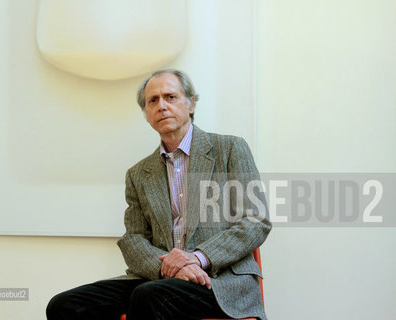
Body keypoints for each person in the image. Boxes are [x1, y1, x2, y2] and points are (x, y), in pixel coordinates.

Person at [46, 69, 272, 320]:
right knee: (64, 305)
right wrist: (169, 268)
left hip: (218, 280)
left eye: (170, 97)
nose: (161, 106)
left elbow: (255, 221)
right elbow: (134, 238)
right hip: (159, 277)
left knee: (147, 296)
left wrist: (197, 259)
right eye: (153, 101)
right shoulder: (138, 173)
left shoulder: (229, 149)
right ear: (147, 115)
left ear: (191, 103)